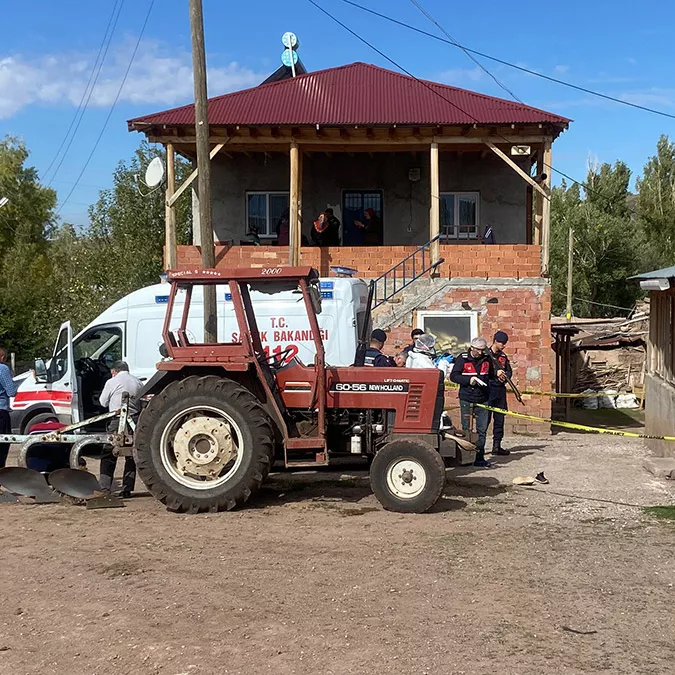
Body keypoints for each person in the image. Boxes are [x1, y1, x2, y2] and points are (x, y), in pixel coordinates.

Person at [98, 361, 142, 498]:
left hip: (116, 420)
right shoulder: (138, 382)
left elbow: (102, 402)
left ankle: (105, 488)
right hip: (134, 420)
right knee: (131, 454)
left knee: (108, 453)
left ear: (114, 371)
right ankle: (127, 489)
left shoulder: (112, 382)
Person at [450, 337, 494, 468]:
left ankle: (479, 458)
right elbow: (454, 376)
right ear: (472, 348)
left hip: (483, 399)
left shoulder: (487, 359)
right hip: (467, 398)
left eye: (482, 350)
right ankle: (466, 458)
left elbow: (491, 375)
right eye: (478, 350)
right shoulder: (462, 358)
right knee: (466, 430)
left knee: (482, 430)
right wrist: (468, 380)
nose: (480, 353)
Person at [487, 330, 512, 456]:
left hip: (500, 391)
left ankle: (497, 446)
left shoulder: (503, 356)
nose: (504, 345)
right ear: (495, 341)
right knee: (484, 421)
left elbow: (509, 371)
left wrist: (505, 376)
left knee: (499, 420)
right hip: (488, 391)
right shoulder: (486, 355)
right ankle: (479, 448)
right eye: (502, 343)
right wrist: (494, 374)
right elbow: (482, 373)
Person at [0, 347, 17, 468]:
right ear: (2, 357)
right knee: (2, 445)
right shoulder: (3, 369)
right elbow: (11, 391)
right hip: (1, 411)